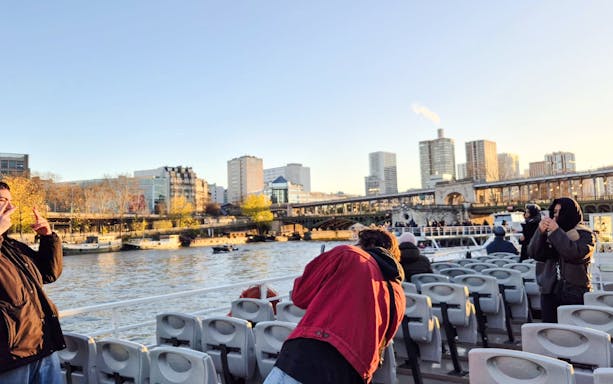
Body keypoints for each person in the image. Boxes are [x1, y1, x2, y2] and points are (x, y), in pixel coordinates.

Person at [263, 228, 406, 384]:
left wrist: (320, 266)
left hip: (310, 357)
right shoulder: (398, 294)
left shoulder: (349, 255)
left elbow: (300, 296)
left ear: (363, 244)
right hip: (355, 372)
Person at [0, 181, 65, 384]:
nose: (10, 208)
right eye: (2, 201)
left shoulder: (13, 247)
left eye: (10, 202)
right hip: (10, 356)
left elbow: (48, 273)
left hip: (42, 346)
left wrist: (48, 238)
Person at [528, 197, 595, 323]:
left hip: (575, 291)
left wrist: (556, 232)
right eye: (555, 212)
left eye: (560, 212)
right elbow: (534, 253)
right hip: (549, 290)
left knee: (574, 330)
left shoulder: (584, 234)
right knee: (550, 331)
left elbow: (575, 254)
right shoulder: (550, 233)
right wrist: (540, 233)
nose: (556, 215)